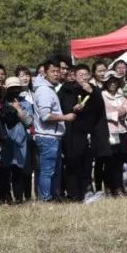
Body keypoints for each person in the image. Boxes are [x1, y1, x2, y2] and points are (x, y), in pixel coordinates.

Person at [59, 65, 105, 203]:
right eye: (80, 74)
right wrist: (72, 109)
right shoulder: (67, 90)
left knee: (87, 163)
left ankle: (86, 191)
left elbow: (100, 107)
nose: (83, 77)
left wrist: (91, 91)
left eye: (86, 74)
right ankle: (74, 193)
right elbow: (63, 108)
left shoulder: (93, 90)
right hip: (72, 132)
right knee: (73, 163)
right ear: (74, 76)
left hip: (89, 133)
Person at [32, 60, 72, 202]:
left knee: (53, 170)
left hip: (52, 136)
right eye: (52, 71)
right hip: (48, 137)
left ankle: (53, 196)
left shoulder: (49, 89)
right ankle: (46, 198)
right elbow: (45, 116)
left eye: (57, 71)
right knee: (48, 170)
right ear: (44, 73)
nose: (56, 74)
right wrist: (65, 117)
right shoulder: (44, 91)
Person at [0, 77, 33, 202]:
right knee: (6, 170)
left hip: (21, 141)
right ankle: (7, 197)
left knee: (19, 169)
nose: (15, 91)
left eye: (17, 89)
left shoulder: (26, 104)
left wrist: (19, 109)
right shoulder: (1, 104)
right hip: (6, 140)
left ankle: (19, 197)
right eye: (12, 89)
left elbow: (29, 122)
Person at [100, 74, 127, 196]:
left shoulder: (121, 97)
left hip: (122, 130)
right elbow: (100, 113)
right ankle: (108, 187)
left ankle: (119, 187)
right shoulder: (102, 96)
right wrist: (115, 114)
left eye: (115, 81)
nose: (113, 83)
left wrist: (124, 113)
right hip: (109, 132)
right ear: (106, 83)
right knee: (109, 161)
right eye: (110, 81)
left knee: (120, 161)